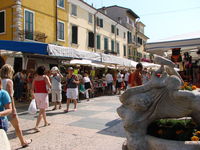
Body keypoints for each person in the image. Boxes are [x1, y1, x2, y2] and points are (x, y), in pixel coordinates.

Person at [0, 64, 32, 147]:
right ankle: (23, 142)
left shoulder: (1, 80)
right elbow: (10, 96)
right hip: (8, 107)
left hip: (2, 107)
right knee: (17, 127)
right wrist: (13, 109)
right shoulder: (9, 81)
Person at [32, 66, 51, 132]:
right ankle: (36, 126)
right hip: (43, 94)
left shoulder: (35, 78)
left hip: (37, 94)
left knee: (42, 109)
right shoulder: (45, 77)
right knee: (41, 110)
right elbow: (49, 85)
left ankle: (46, 122)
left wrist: (32, 95)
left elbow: (32, 88)